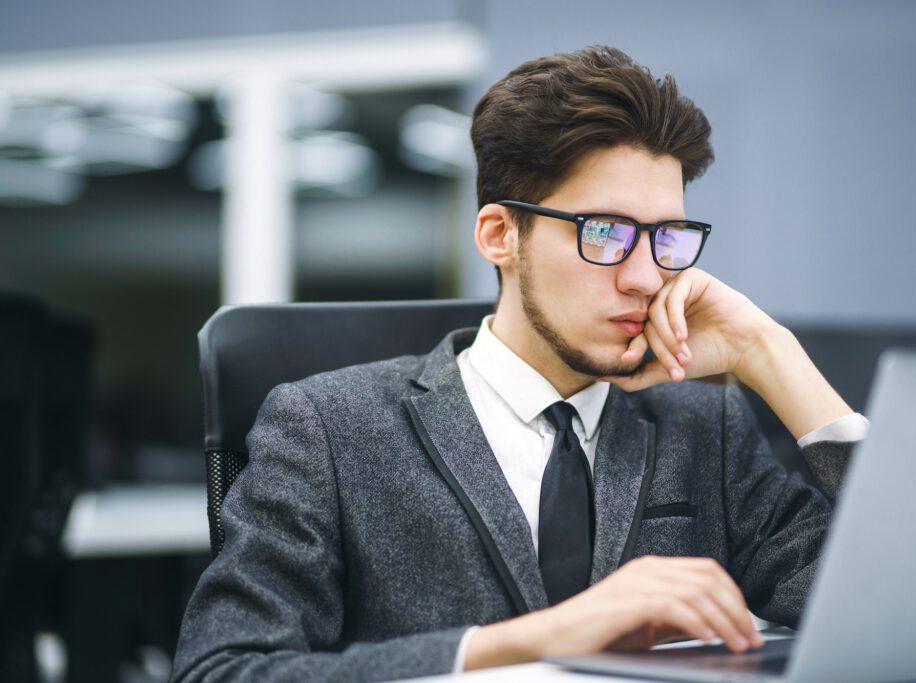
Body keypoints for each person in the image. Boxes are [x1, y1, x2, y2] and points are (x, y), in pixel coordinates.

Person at [171, 46, 867, 682]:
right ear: (500, 234)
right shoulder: (327, 428)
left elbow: (892, 605)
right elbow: (222, 670)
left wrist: (768, 355)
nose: (647, 277)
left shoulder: (702, 425)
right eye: (607, 233)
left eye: (668, 238)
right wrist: (537, 638)